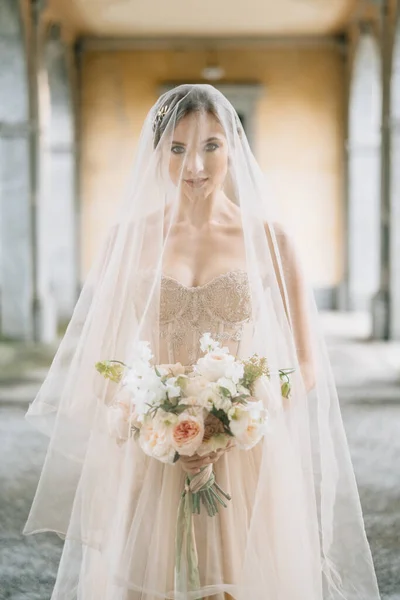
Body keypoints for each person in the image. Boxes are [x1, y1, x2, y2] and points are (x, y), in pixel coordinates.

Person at [23, 84, 381, 600]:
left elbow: (305, 362)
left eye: (211, 145)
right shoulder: (127, 239)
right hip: (151, 454)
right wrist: (153, 421)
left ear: (234, 148)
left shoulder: (272, 240)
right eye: (177, 148)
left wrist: (239, 419)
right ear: (157, 154)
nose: (195, 164)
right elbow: (100, 360)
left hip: (245, 449)